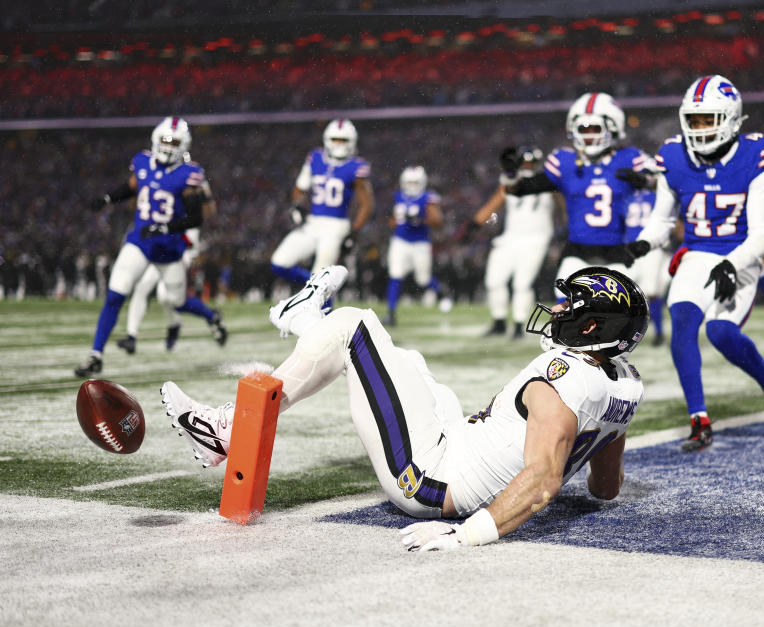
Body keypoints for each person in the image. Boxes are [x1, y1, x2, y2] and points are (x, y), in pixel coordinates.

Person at [161, 264, 649, 549]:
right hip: (459, 447)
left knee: (355, 326)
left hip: (429, 477)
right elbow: (606, 487)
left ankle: (228, 428)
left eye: (570, 306)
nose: (558, 309)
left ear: (592, 327)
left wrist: (466, 536)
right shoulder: (624, 383)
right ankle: (310, 323)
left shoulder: (558, 382)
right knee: (405, 361)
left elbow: (542, 480)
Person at [626, 74, 764, 450]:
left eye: (709, 119)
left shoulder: (754, 153)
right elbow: (662, 218)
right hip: (699, 252)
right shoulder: (672, 156)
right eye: (695, 119)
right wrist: (643, 243)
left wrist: (734, 263)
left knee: (720, 333)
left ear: (733, 120)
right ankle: (699, 420)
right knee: (682, 323)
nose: (700, 128)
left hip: (742, 253)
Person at [75, 116, 211, 377]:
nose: (169, 146)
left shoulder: (189, 174)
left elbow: (196, 218)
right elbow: (131, 187)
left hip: (170, 249)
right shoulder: (142, 162)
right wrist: (107, 198)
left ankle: (210, 316)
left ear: (184, 145)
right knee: (116, 294)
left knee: (175, 301)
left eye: (175, 142)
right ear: (155, 139)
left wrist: (165, 228)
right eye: (165, 140)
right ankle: (96, 355)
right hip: (140, 242)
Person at [501, 92, 656, 295]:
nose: (588, 134)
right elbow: (520, 188)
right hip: (578, 250)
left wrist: (646, 181)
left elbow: (664, 181)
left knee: (615, 310)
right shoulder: (565, 162)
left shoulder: (629, 158)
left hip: (618, 250)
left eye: (595, 128)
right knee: (564, 300)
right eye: (583, 129)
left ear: (613, 127)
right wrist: (511, 173)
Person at [270, 119, 373, 293]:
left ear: (352, 142)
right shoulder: (315, 158)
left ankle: (322, 306)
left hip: (337, 226)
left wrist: (354, 232)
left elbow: (367, 204)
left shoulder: (357, 166)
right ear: (327, 139)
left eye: (344, 140)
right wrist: (297, 206)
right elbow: (299, 189)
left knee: (321, 276)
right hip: (312, 223)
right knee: (279, 263)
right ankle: (312, 286)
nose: (339, 144)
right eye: (335, 139)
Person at [472, 146, 558, 339]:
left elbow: (566, 206)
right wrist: (473, 225)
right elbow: (492, 205)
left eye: (530, 163)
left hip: (536, 239)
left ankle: (519, 324)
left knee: (522, 284)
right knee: (493, 280)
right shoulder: (509, 182)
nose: (526, 167)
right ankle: (499, 321)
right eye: (524, 163)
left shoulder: (551, 183)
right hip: (510, 238)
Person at [115, 226, 228, 354]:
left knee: (168, 298)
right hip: (157, 250)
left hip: (177, 253)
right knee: (142, 287)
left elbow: (190, 235)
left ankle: (208, 316)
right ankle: (132, 336)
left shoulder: (186, 211)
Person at [382, 166, 448, 326]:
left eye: (415, 182)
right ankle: (391, 313)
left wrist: (420, 218)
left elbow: (438, 222)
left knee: (423, 280)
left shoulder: (428, 198)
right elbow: (390, 222)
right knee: (395, 274)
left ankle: (440, 293)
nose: (411, 185)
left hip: (420, 243)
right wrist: (401, 219)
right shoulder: (397, 197)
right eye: (409, 182)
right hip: (400, 241)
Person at [623, 188, 670, 346]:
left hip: (642, 247)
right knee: (635, 293)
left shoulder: (626, 194)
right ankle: (632, 332)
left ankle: (658, 333)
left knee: (648, 292)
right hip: (637, 248)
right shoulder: (657, 195)